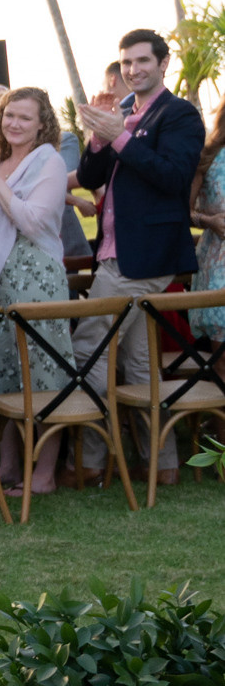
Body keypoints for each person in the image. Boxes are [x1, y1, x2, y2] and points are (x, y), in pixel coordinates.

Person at [74, 28, 209, 484]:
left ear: (163, 63)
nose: (132, 70)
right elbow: (88, 173)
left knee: (88, 349)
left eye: (142, 61)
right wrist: (98, 136)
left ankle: (91, 464)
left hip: (145, 258)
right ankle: (163, 464)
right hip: (112, 253)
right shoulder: (122, 112)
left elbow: (173, 179)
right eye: (126, 63)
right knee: (134, 363)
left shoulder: (181, 114)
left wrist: (121, 139)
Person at [0, 88, 74, 493]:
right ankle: (8, 467)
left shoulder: (50, 162)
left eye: (25, 118)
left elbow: (31, 221)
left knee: (43, 373)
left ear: (42, 123)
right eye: (9, 115)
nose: (14, 123)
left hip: (36, 280)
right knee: (6, 371)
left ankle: (44, 473)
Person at [191, 95, 225, 338]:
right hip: (217, 263)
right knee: (222, 356)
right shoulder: (208, 156)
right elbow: (182, 211)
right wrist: (208, 221)